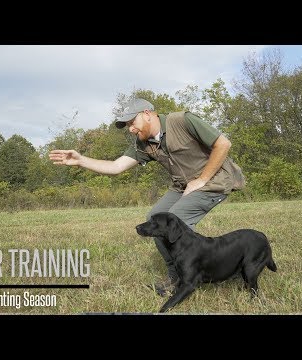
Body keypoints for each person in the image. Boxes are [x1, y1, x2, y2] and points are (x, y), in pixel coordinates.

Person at [49, 98, 245, 295]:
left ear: (147, 114)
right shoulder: (143, 143)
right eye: (127, 126)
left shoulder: (183, 121)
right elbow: (116, 167)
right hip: (183, 185)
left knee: (176, 221)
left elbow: (223, 144)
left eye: (132, 122)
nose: (131, 129)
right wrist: (81, 160)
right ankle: (175, 275)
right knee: (156, 219)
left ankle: (200, 272)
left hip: (215, 181)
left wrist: (202, 179)